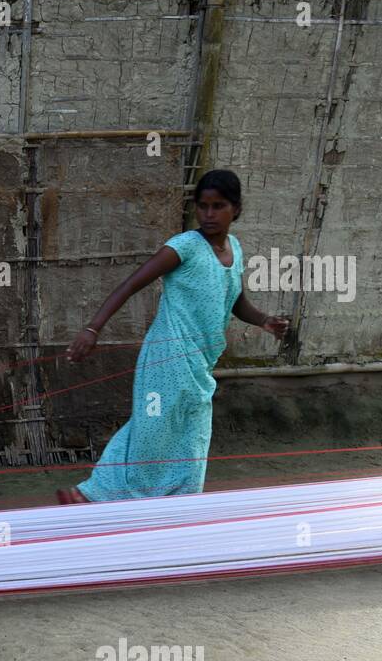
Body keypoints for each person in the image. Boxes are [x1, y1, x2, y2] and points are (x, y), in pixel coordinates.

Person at [57, 169, 290, 504]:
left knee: (193, 437)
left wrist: (264, 320)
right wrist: (93, 328)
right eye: (203, 206)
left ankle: (180, 506)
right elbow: (131, 284)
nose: (209, 214)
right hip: (167, 358)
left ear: (236, 209)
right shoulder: (183, 248)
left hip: (200, 364)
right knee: (152, 429)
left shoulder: (235, 250)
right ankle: (92, 494)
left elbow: (235, 299)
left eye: (218, 206)